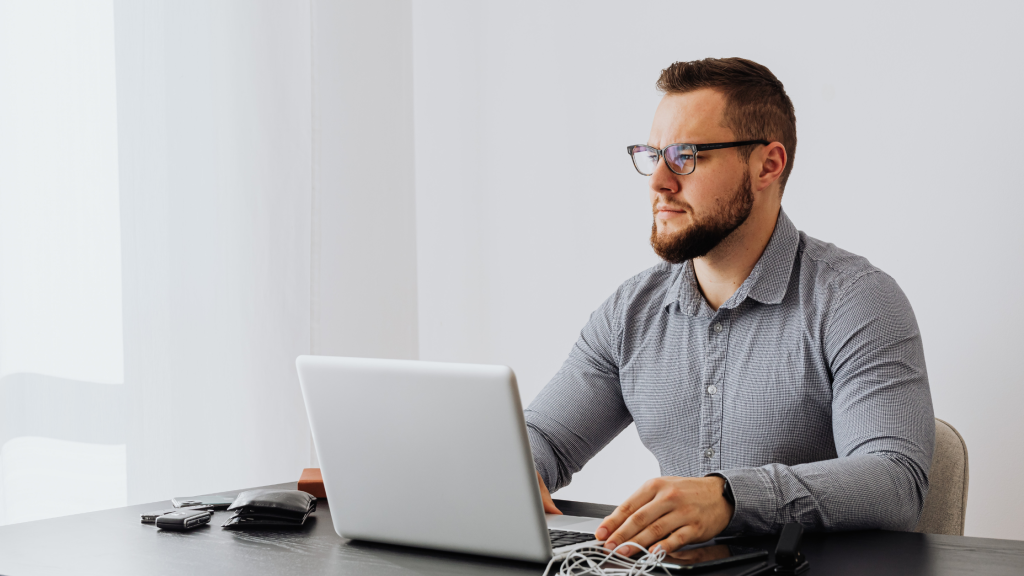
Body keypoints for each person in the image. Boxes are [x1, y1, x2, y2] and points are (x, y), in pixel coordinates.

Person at [525, 57, 935, 557]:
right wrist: (519, 467)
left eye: (686, 155)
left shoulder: (856, 300)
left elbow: (895, 480)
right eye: (652, 154)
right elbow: (544, 435)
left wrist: (729, 496)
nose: (658, 181)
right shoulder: (630, 312)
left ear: (768, 165)